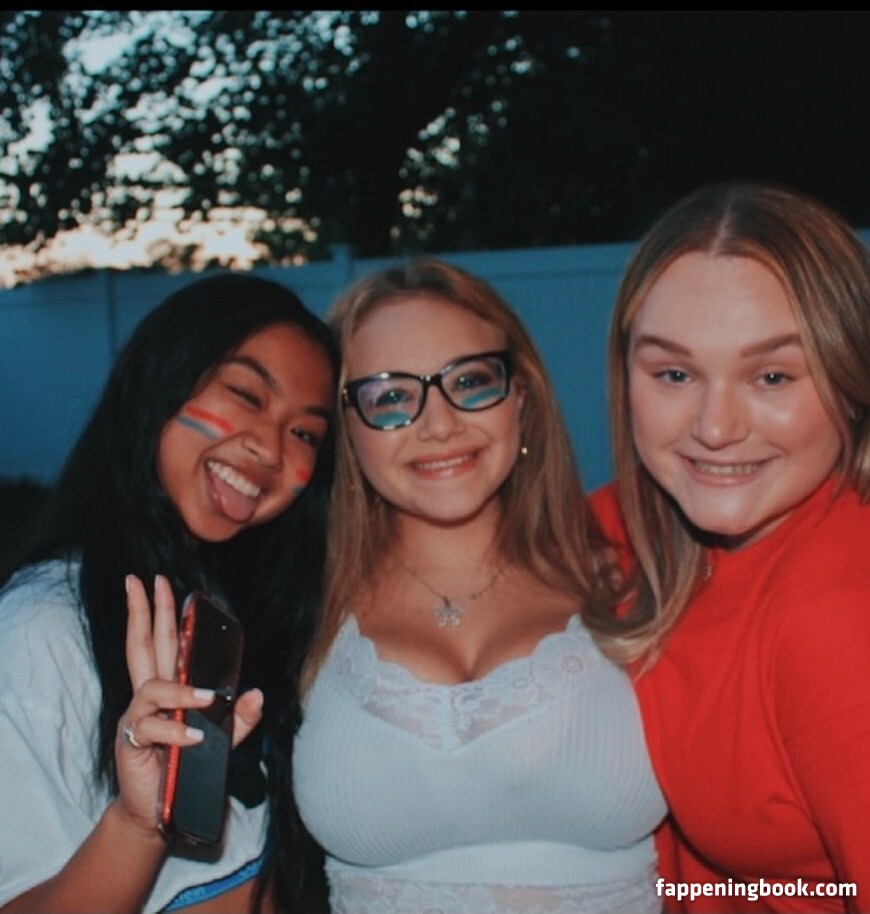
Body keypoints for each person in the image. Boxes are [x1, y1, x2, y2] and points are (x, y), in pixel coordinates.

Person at [292, 259, 666, 914]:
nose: (438, 424)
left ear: (521, 396)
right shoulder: (292, 606)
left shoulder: (640, 576)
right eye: (389, 397)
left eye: (469, 381)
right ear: (346, 429)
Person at [0, 273, 339, 913]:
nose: (271, 448)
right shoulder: (44, 627)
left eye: (305, 434)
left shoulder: (237, 605)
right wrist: (138, 824)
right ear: (160, 378)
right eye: (246, 394)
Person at [595, 181, 870, 912]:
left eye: (771, 376)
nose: (715, 429)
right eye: (675, 374)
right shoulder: (639, 526)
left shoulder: (838, 614)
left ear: (853, 382)